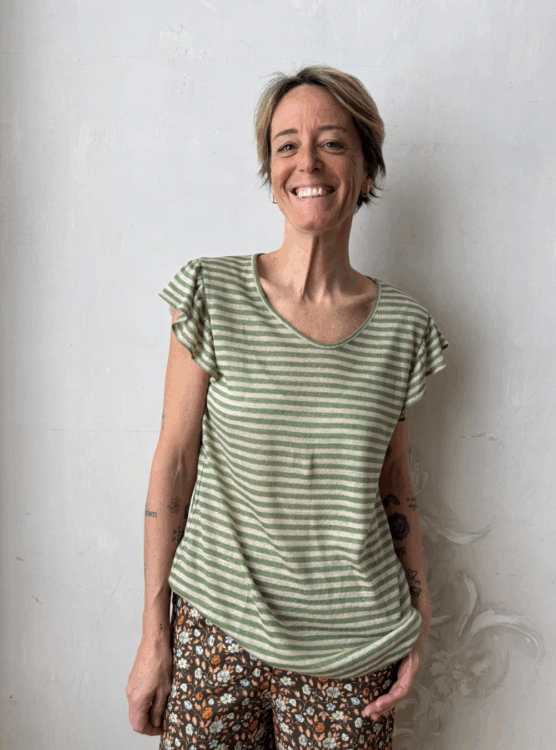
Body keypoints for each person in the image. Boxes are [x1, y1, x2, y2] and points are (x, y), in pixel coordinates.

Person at [126, 64, 448, 750]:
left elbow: (395, 484)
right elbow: (174, 464)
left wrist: (420, 622)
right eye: (286, 145)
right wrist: (154, 636)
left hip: (353, 654)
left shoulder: (404, 327)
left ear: (366, 168)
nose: (308, 162)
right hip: (215, 633)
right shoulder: (210, 294)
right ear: (270, 172)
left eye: (332, 143)